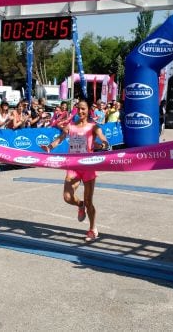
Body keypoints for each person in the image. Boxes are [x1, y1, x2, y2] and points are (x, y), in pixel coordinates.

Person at [40, 100, 110, 242]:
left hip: (88, 167)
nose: (81, 111)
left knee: (90, 201)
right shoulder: (70, 126)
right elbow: (59, 139)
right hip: (73, 166)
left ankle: (92, 229)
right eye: (79, 109)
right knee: (67, 197)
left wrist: (104, 143)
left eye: (83, 109)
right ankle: (80, 204)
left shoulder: (93, 126)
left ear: (88, 110)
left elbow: (103, 138)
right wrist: (49, 147)